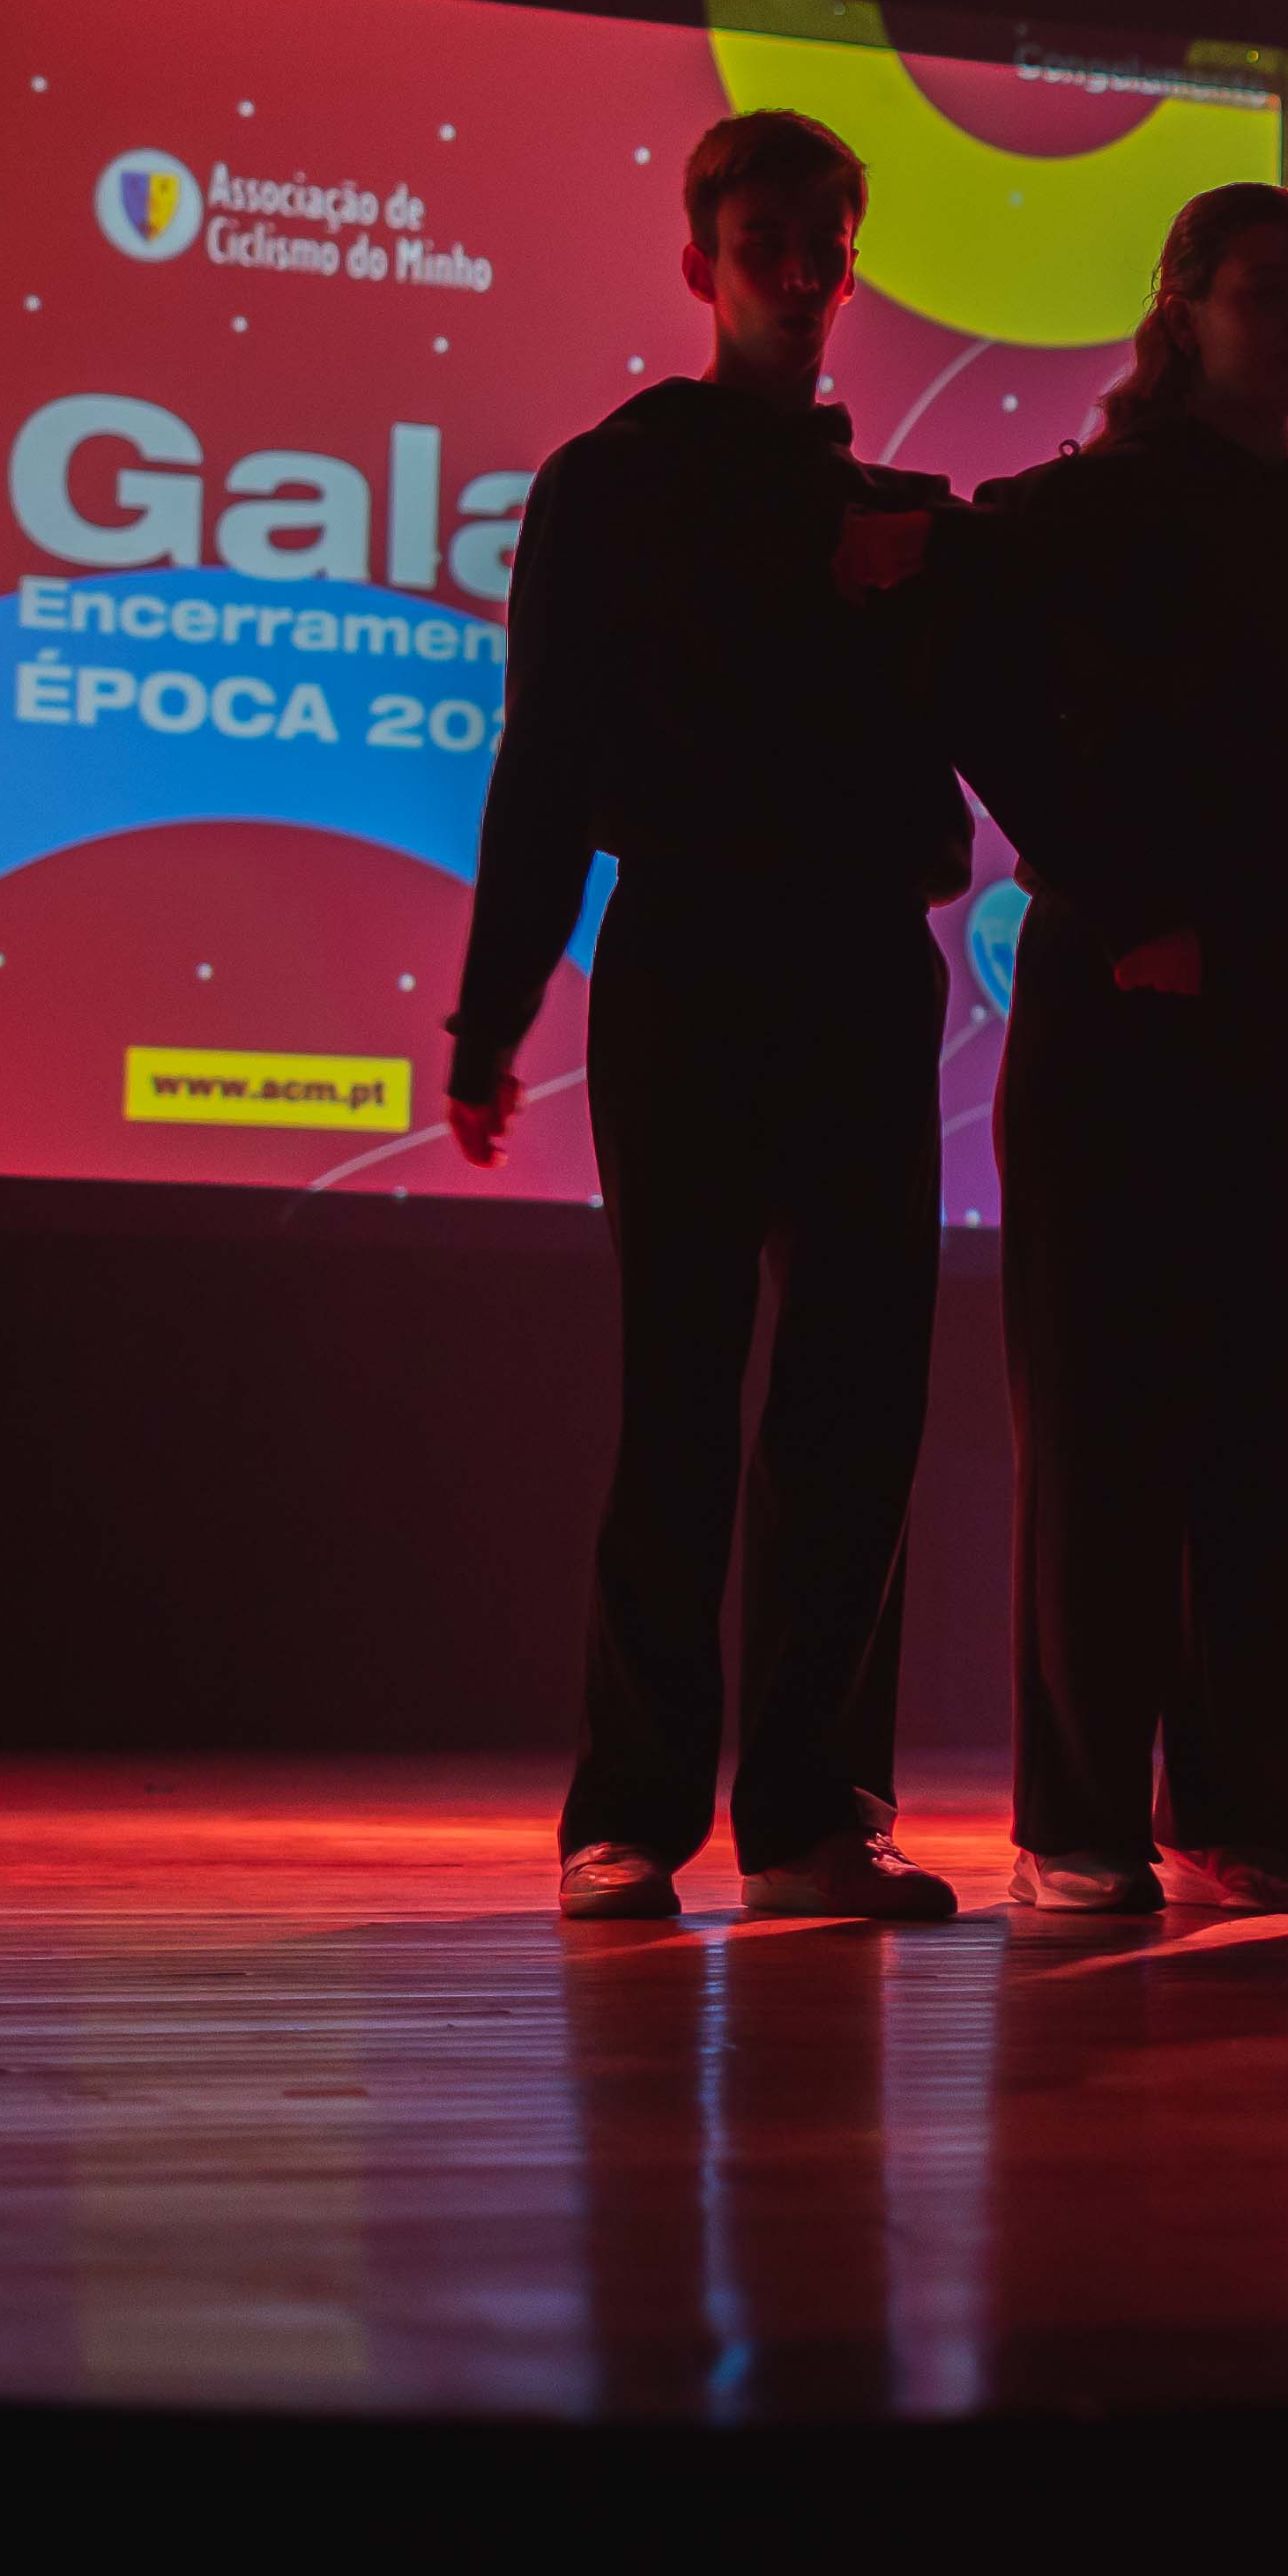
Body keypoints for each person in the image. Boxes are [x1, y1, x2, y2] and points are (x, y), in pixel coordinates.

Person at [450, 108, 972, 1926]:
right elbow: (549, 752)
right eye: (768, 239)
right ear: (702, 261)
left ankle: (817, 1816)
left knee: (856, 1397)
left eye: (830, 238)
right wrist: (491, 1014)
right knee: (679, 1388)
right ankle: (631, 1813)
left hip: (860, 964)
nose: (804, 268)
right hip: (689, 954)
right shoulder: (615, 479)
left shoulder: (901, 511)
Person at [939, 182, 1288, 1919]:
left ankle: (1238, 1806)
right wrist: (1122, 893)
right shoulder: (1085, 508)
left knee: (1283, 1421)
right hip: (1131, 1009)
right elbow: (977, 687)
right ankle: (1078, 1817)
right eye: (1263, 289)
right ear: (1182, 306)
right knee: (1107, 1414)